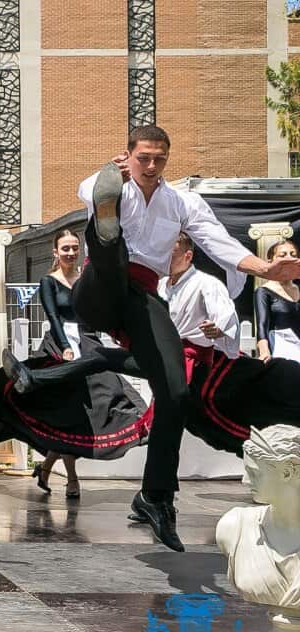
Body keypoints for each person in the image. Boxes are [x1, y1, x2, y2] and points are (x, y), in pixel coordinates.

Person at [70, 125, 300, 551]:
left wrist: (263, 269)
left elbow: (217, 241)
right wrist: (111, 181)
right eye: (144, 158)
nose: (152, 166)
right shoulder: (115, 183)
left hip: (142, 295)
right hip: (99, 289)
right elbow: (88, 188)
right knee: (107, 249)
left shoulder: (182, 202)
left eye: (160, 159)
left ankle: (155, 497)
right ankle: (104, 231)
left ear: (167, 159)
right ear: (128, 155)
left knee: (175, 393)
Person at [0, 229, 151, 499]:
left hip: (88, 343)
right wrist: (64, 348)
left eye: (75, 247)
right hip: (59, 345)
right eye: (65, 248)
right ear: (55, 252)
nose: (71, 252)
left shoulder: (88, 280)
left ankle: (47, 468)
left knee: (105, 400)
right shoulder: (48, 282)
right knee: (67, 415)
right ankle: (72, 479)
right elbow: (52, 317)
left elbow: (100, 314)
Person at [160, 233, 300, 457]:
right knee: (197, 413)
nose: (165, 257)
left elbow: (225, 317)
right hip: (179, 363)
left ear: (188, 255)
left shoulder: (206, 283)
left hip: (205, 358)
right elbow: (263, 324)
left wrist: (218, 329)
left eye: (172, 252)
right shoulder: (159, 287)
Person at [254, 239, 300, 363]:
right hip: (283, 347)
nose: (289, 258)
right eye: (282, 255)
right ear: (271, 261)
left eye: (293, 255)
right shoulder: (264, 291)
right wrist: (264, 352)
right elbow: (262, 325)